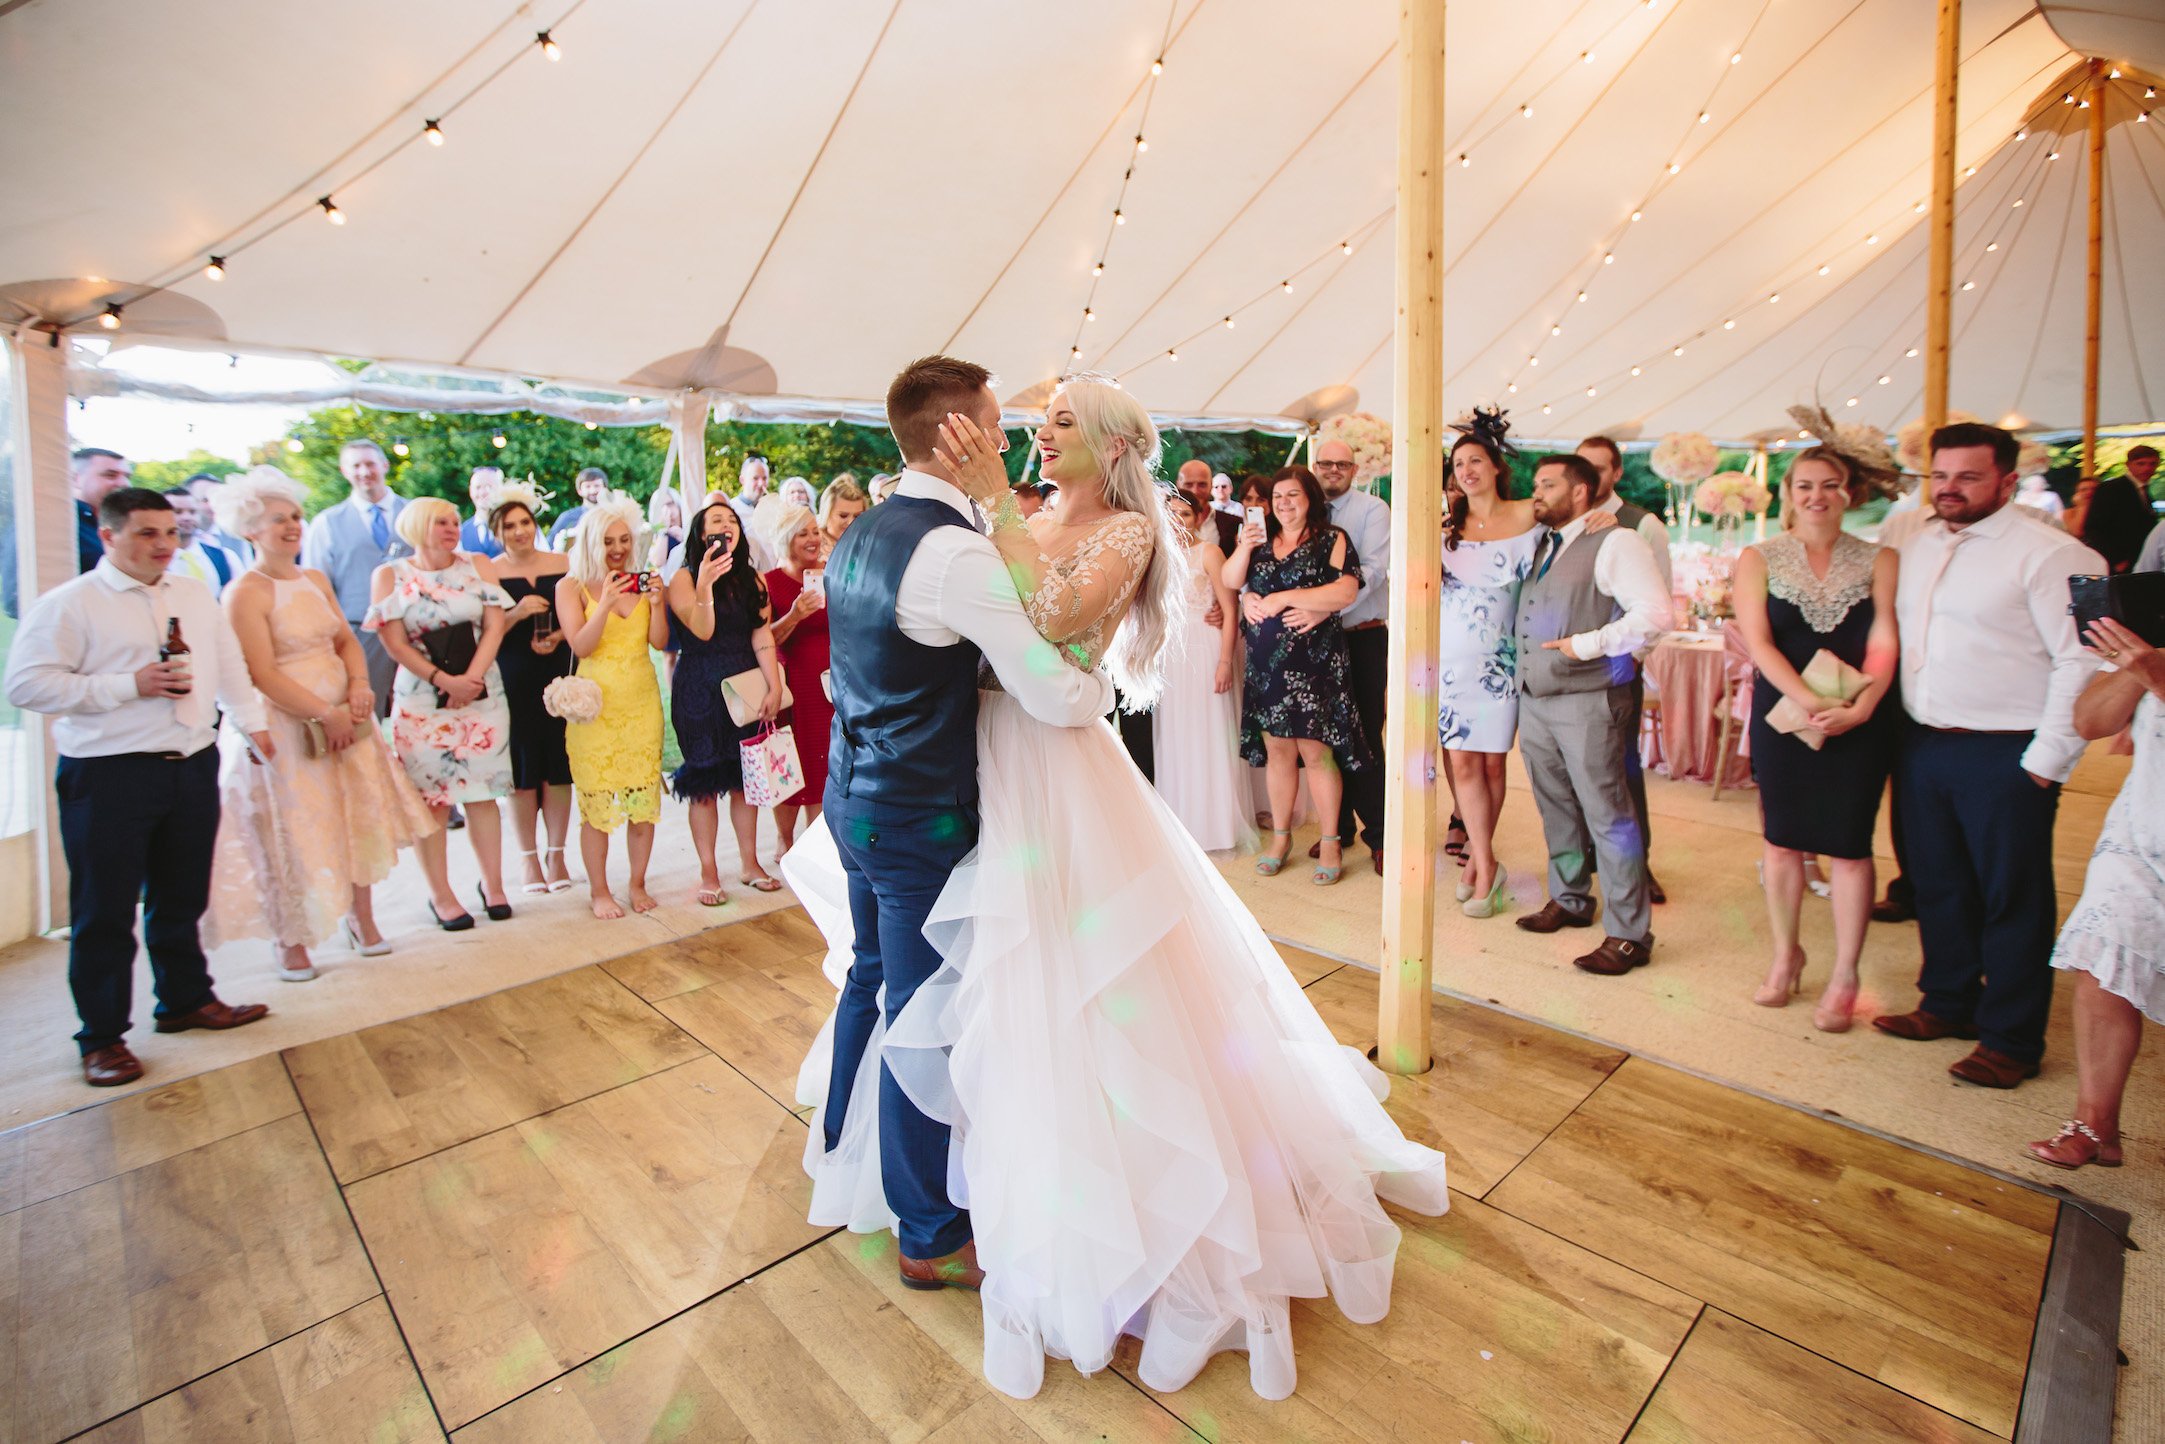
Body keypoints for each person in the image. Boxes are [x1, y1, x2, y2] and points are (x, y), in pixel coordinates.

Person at [782, 366, 1449, 1402]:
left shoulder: (1119, 535)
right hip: (978, 763)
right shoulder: (997, 521)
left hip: (1048, 768)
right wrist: (1015, 538)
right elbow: (1013, 642)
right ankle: (961, 1172)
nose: (1037, 442)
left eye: (1056, 428)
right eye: (1028, 426)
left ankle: (1064, 1181)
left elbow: (1048, 623)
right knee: (966, 973)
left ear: (1110, 445)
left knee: (1062, 972)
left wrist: (1021, 556)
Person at [4, 488, 272, 1087]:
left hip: (191, 761)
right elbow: (26, 685)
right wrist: (129, 685)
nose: (163, 546)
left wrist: (253, 726)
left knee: (181, 896)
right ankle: (101, 1036)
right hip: (109, 772)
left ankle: (184, 1000)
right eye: (147, 534)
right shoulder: (70, 604)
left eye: (170, 533)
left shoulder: (194, 593)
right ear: (109, 536)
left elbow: (226, 662)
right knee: (105, 908)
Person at [1874, 423, 2105, 1087]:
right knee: (1937, 884)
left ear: (2006, 480)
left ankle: (2010, 1039)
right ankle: (1946, 1002)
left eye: (1967, 477)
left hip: (2008, 749)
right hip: (1922, 741)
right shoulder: (1912, 543)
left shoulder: (2052, 553)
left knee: (2011, 897)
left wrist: (2045, 761)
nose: (1948, 489)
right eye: (1940, 476)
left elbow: (2080, 658)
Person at [202, 468, 436, 980]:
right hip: (285, 723)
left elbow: (346, 638)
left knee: (355, 814)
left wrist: (357, 687)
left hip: (346, 713)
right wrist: (323, 712)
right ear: (250, 530)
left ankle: (363, 920)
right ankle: (291, 939)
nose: (291, 527)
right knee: (290, 829)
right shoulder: (246, 591)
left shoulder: (314, 578)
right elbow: (258, 671)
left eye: (295, 517)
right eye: (277, 520)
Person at [1731, 447, 1899, 1031]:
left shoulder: (1881, 558)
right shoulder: (1760, 558)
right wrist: (1806, 702)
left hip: (1861, 720)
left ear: (1849, 491)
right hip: (1786, 720)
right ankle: (1787, 954)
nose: (1816, 496)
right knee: (1782, 841)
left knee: (1850, 847)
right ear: (1788, 493)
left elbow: (1884, 635)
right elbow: (1759, 642)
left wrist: (1865, 705)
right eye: (1804, 485)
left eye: (1830, 485)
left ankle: (1847, 972)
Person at [1511, 453, 1674, 975]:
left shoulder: (1617, 541)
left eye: (1547, 484)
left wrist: (1589, 644)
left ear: (1580, 491)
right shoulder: (1541, 543)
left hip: (1590, 698)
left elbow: (1656, 614)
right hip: (1536, 699)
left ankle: (1630, 933)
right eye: (1535, 484)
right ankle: (1571, 898)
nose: (1536, 493)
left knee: (1609, 815)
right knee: (1555, 806)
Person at [2028, 617, 2164, 1169]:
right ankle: (2095, 1126)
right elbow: (2088, 721)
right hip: (2143, 827)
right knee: (2102, 961)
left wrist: (2157, 675)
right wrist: (2138, 669)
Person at [366, 497, 516, 930]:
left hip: (481, 692)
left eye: (454, 521)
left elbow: (493, 625)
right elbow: (394, 642)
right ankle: (442, 895)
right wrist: (443, 681)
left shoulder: (478, 565)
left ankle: (493, 885)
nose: (452, 528)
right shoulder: (391, 575)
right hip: (421, 699)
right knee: (431, 801)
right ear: (416, 526)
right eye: (441, 522)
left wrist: (470, 678)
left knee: (484, 794)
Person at [1223, 464, 1370, 884]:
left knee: (1317, 752)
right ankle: (1281, 838)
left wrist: (1285, 596)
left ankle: (1330, 840)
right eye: (1279, 496)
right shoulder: (1258, 537)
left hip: (1315, 665)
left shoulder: (1332, 539)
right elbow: (1231, 580)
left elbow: (1346, 590)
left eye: (1294, 495)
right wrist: (1246, 559)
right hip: (1267, 667)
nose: (1285, 503)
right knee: (1278, 752)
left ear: (1310, 500)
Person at [1439, 417, 1547, 918]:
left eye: (1475, 460)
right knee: (1461, 764)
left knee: (1491, 762)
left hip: (1502, 665)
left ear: (1497, 465)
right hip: (1450, 664)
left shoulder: (1532, 515)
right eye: (1458, 464)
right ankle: (1483, 863)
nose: (1466, 471)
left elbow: (1576, 529)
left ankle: (1479, 864)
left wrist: (1601, 520)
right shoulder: (1444, 527)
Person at [557, 501, 668, 918]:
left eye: (625, 540)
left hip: (641, 702)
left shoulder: (644, 582)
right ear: (591, 542)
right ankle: (599, 890)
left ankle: (637, 883)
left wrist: (657, 604)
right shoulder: (570, 586)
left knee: (643, 803)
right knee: (598, 805)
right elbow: (581, 645)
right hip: (596, 708)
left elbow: (658, 642)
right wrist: (603, 602)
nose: (619, 549)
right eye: (608, 541)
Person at [668, 500, 783, 902]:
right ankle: (708, 872)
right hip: (699, 685)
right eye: (716, 520)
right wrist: (703, 584)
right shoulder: (682, 578)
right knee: (703, 780)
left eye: (732, 519)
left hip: (743, 683)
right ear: (701, 534)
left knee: (744, 780)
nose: (726, 525)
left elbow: (762, 635)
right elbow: (702, 631)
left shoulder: (753, 580)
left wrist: (773, 687)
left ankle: (750, 864)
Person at [1579, 434, 1672, 904]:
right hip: (1568, 670)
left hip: (1615, 668)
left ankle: (1639, 866)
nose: (1589, 476)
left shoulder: (1643, 524)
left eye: (1598, 468)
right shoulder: (1564, 520)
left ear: (1616, 472)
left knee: (1622, 769)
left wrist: (1626, 662)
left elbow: (1658, 607)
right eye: (1582, 466)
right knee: (1573, 771)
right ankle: (1582, 863)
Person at [488, 483, 576, 895]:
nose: (520, 531)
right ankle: (528, 861)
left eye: (525, 522)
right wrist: (517, 612)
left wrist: (559, 636)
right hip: (512, 674)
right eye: (510, 526)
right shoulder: (488, 571)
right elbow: (483, 631)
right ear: (497, 531)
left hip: (557, 672)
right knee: (522, 772)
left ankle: (556, 854)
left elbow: (579, 615)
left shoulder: (562, 561)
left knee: (559, 766)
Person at [1309, 438, 1391, 875]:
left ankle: (1379, 835)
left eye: (1342, 464)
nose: (1333, 470)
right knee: (1322, 737)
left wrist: (1321, 606)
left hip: (1360, 635)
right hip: (1313, 640)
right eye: (1326, 463)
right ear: (1315, 466)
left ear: (1355, 470)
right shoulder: (1303, 508)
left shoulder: (1373, 511)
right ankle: (1335, 829)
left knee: (1362, 736)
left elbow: (1374, 574)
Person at [1155, 487, 1253, 851]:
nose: (1178, 521)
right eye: (1172, 514)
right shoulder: (1160, 555)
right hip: (1171, 657)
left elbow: (1230, 610)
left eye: (1184, 514)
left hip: (1206, 649)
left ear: (1198, 518)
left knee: (1210, 732)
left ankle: (1218, 826)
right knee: (1178, 734)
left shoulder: (1209, 552)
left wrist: (1226, 661)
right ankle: (1183, 822)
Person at [301, 439, 409, 717]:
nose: (364, 471)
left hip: (419, 631)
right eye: (356, 465)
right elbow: (316, 589)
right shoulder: (326, 523)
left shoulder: (415, 513)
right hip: (361, 634)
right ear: (344, 471)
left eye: (370, 463)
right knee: (365, 713)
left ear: (384, 465)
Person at [764, 502, 832, 855]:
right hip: (793, 685)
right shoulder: (770, 582)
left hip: (829, 685)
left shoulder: (830, 572)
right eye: (803, 533)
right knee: (790, 765)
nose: (812, 539)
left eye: (815, 531)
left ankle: (817, 844)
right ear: (787, 539)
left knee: (824, 763)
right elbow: (764, 639)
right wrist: (794, 615)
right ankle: (784, 838)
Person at [163, 486, 238, 596]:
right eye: (177, 512)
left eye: (192, 512)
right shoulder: (153, 559)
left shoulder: (225, 557)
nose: (187, 517)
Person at [2079, 471, 2158, 574]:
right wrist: (2116, 560)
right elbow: (2092, 528)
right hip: (2118, 559)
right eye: (2084, 489)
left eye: (2152, 464)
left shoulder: (2143, 492)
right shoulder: (2113, 488)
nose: (2147, 468)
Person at [72, 448, 132, 574]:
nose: (124, 483)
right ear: (75, 479)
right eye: (110, 475)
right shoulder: (63, 523)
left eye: (127, 476)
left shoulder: (126, 523)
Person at [1175, 456, 1241, 553]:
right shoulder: (1164, 524)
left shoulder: (1234, 524)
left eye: (1202, 485)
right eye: (1188, 485)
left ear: (1211, 485)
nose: (1195, 491)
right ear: (1178, 485)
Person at [546, 466, 611, 550]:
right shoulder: (567, 517)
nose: (593, 490)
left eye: (597, 485)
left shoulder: (614, 515)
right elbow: (548, 546)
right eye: (588, 486)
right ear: (579, 491)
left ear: (605, 488)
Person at [817, 475, 869, 560]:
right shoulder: (812, 549)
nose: (851, 522)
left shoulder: (869, 547)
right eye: (843, 516)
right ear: (826, 514)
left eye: (857, 516)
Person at [459, 467, 506, 557]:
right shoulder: (461, 532)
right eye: (478, 487)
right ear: (470, 491)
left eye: (489, 487)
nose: (483, 492)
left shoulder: (519, 525)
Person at [646, 484, 686, 573]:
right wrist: (663, 530)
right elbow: (658, 561)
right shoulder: (653, 539)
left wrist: (684, 538)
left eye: (670, 504)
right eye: (661, 507)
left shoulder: (690, 529)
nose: (667, 512)